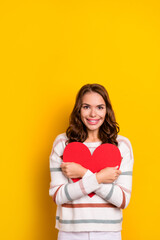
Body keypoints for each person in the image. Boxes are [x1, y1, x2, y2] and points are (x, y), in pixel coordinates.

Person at [49, 83, 134, 240]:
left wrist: (83, 173)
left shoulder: (121, 146)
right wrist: (100, 177)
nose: (93, 114)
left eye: (100, 107)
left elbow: (122, 199)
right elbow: (58, 195)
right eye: (86, 107)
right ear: (79, 110)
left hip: (109, 232)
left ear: (107, 110)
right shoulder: (62, 143)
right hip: (70, 232)